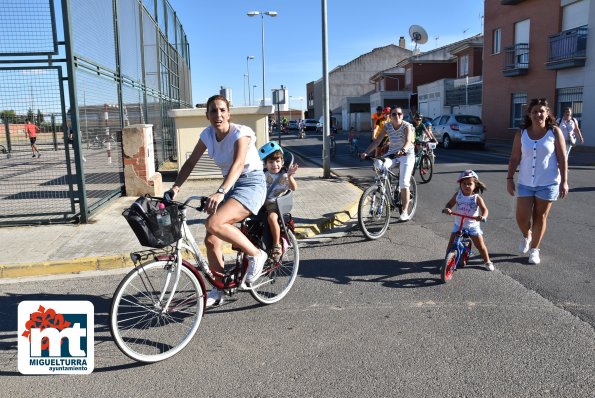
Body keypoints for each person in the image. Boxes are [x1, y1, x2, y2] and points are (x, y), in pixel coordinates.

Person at [170, 94, 268, 306]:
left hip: (251, 183)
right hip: (230, 184)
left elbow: (239, 163)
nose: (218, 114)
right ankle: (220, 289)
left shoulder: (241, 133)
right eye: (213, 110)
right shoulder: (207, 135)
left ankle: (257, 254)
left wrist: (221, 192)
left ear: (229, 113)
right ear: (207, 115)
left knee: (214, 223)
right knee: (211, 239)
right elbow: (190, 162)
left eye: (222, 110)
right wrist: (176, 187)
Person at [506, 98, 568, 265]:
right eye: (534, 111)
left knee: (540, 217)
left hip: (548, 182)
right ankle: (527, 236)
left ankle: (535, 250)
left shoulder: (554, 132)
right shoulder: (521, 133)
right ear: (529, 114)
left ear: (547, 113)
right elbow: (514, 158)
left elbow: (562, 158)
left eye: (541, 111)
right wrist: (509, 178)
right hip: (525, 182)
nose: (538, 114)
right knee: (521, 217)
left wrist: (564, 182)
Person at [360, 107, 415, 221]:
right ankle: (385, 189)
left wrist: (403, 150)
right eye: (394, 114)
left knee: (404, 183)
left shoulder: (406, 126)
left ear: (402, 115)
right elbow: (377, 141)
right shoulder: (387, 126)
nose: (396, 116)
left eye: (399, 114)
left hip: (407, 154)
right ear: (390, 116)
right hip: (393, 153)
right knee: (379, 164)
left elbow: (408, 141)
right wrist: (366, 152)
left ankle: (404, 211)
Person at [442, 170, 493, 271]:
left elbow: (485, 210)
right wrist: (448, 209)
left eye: (470, 184)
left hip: (472, 225)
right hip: (458, 224)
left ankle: (487, 261)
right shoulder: (458, 195)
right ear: (460, 184)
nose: (466, 186)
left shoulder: (476, 198)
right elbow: (449, 204)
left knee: (480, 245)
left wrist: (483, 217)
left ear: (475, 185)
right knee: (451, 243)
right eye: (464, 183)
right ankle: (446, 262)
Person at [259, 141, 298, 261]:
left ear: (282, 162)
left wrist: (290, 176)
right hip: (261, 202)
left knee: (271, 218)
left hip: (275, 204)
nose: (275, 164)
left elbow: (294, 188)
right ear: (265, 164)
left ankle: (276, 245)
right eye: (271, 162)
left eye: (277, 161)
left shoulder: (284, 175)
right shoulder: (262, 174)